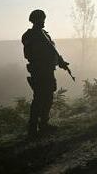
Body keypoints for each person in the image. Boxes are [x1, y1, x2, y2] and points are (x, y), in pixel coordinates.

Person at [22, 9, 69, 138]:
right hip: (39, 71)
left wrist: (61, 62)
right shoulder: (31, 35)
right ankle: (32, 128)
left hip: (47, 70)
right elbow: (30, 54)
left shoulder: (44, 34)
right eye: (42, 19)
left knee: (48, 98)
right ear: (36, 20)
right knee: (39, 99)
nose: (43, 21)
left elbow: (52, 51)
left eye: (43, 19)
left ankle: (44, 124)